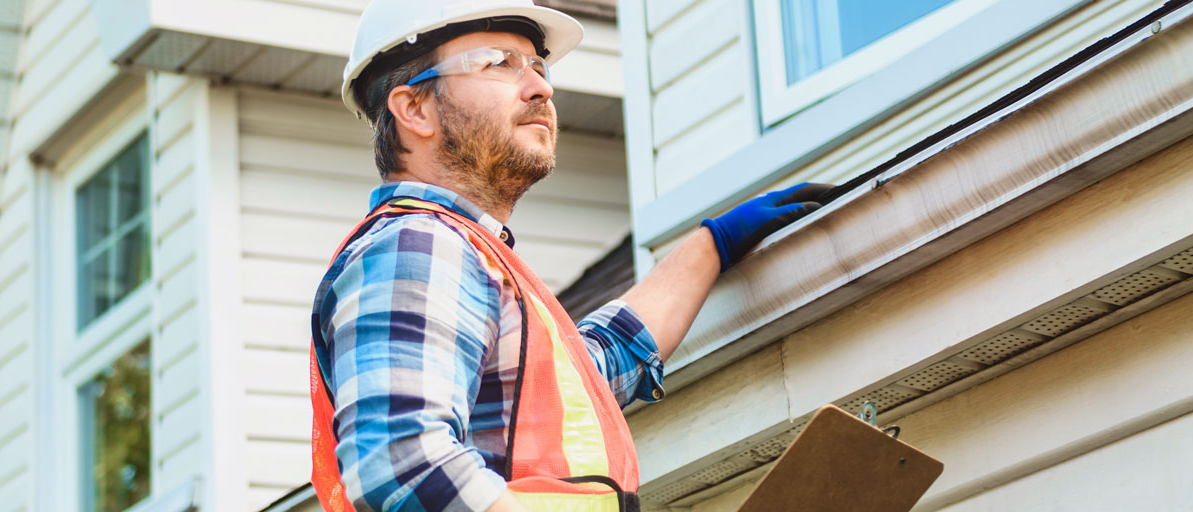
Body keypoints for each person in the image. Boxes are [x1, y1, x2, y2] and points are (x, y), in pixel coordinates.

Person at [308, 1, 835, 510]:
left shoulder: (469, 255)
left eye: (538, 67)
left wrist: (712, 244)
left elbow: (592, 370)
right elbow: (404, 463)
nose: (542, 86)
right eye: (499, 63)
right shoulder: (419, 243)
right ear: (415, 109)